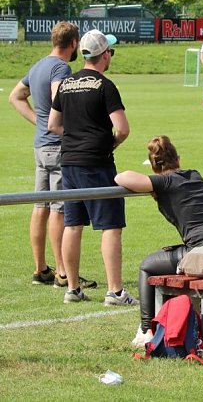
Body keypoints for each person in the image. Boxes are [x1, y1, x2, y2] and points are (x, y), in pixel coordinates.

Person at [114, 136, 203, 348]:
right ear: (178, 159)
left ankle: (146, 329)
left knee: (147, 266)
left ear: (154, 166)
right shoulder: (194, 174)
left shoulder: (163, 181)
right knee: (163, 259)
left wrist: (154, 183)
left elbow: (122, 178)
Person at [47, 30, 138, 305]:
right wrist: (106, 144)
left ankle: (72, 289)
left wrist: (75, 139)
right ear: (105, 54)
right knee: (110, 226)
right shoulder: (104, 85)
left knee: (73, 225)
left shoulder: (66, 83)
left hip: (69, 163)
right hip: (96, 163)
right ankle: (115, 290)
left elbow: (53, 124)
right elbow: (122, 129)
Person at [8, 22, 96, 289]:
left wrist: (38, 121)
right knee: (60, 208)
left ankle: (40, 268)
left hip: (40, 146)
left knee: (40, 205)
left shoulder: (38, 65)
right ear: (72, 43)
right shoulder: (61, 67)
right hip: (59, 145)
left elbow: (16, 96)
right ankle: (62, 272)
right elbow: (61, 97)